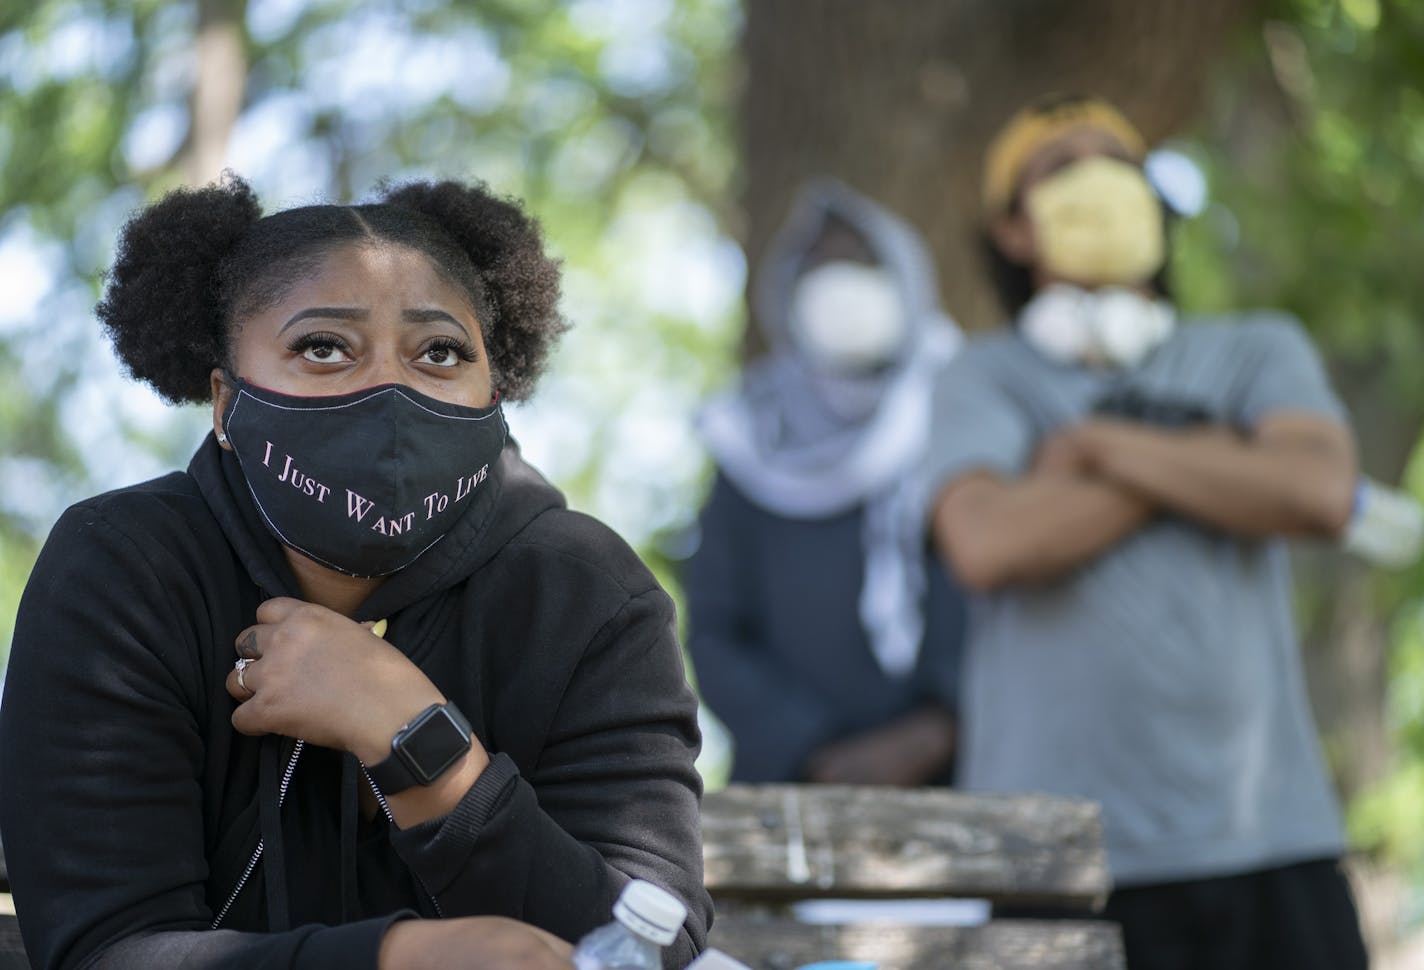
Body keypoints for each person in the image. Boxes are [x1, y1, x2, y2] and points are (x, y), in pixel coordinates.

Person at [0, 174, 711, 970]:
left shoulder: (584, 593)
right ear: (225, 406)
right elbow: (108, 949)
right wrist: (398, 959)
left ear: (496, 394)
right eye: (323, 348)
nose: (389, 393)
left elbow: (654, 948)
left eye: (439, 353)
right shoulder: (124, 570)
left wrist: (417, 746)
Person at [922, 95, 1369, 969]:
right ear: (1013, 230)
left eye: (1119, 163)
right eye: (1060, 169)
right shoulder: (979, 376)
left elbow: (1320, 490)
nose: (1099, 181)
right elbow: (988, 544)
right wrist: (1217, 458)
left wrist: (1097, 445)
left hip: (1271, 841)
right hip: (1055, 857)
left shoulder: (1256, 347)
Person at [688, 178, 967, 786]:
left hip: (962, 786)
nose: (838, 283)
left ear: (907, 280)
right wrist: (814, 750)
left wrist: (934, 733)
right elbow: (712, 630)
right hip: (788, 797)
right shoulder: (747, 438)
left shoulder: (966, 412)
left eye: (860, 262)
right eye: (816, 266)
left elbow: (1007, 601)